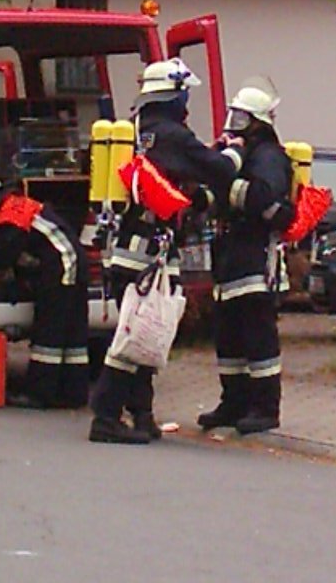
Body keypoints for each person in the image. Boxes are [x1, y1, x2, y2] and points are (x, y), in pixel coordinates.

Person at [89, 58, 242, 445]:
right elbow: (219, 170)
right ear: (173, 95)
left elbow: (180, 179)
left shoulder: (139, 130)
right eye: (184, 94)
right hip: (148, 254)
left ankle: (142, 416)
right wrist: (236, 152)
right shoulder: (172, 135)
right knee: (134, 338)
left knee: (146, 334)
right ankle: (105, 418)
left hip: (128, 247)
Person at [198, 77, 294, 435]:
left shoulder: (268, 156)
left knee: (258, 335)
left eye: (242, 117)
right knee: (228, 336)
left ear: (258, 121)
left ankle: (265, 408)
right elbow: (217, 195)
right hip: (229, 253)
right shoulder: (238, 153)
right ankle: (233, 402)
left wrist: (227, 186)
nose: (234, 123)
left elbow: (262, 197)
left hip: (255, 256)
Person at [0, 170, 90, 409]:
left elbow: (4, 255)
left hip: (60, 266)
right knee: (73, 332)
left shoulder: (8, 216)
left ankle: (40, 394)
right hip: (72, 262)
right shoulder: (16, 204)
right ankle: (73, 393)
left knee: (49, 329)